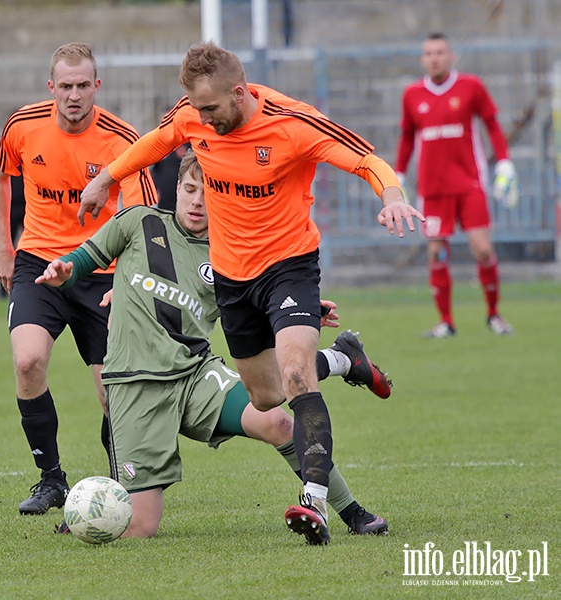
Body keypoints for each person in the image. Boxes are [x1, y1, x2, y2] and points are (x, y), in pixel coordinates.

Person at [79, 41, 422, 545]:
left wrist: (392, 196)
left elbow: (365, 159)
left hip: (288, 265)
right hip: (233, 277)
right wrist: (107, 179)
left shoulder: (292, 123)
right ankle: (346, 360)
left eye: (212, 109)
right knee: (269, 395)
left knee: (295, 373)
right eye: (196, 109)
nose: (203, 120)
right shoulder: (194, 115)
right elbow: (155, 141)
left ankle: (316, 503)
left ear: (239, 93)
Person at [39, 150, 390, 540]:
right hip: (135, 386)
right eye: (190, 190)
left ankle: (353, 513)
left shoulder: (231, 256)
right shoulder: (139, 222)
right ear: (177, 188)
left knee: (277, 420)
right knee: (141, 527)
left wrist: (303, 312)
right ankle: (342, 359)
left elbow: (258, 301)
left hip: (194, 376)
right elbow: (87, 258)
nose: (196, 202)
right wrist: (65, 270)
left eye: (208, 195)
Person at [0, 42, 157, 516]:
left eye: (84, 85)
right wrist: (4, 245)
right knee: (27, 362)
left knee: (112, 393)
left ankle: (118, 484)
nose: (75, 95)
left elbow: (142, 215)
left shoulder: (121, 139)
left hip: (100, 271)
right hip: (38, 262)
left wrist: (127, 278)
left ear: (97, 86)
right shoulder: (22, 125)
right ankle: (51, 479)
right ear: (51, 87)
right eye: (66, 86)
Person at [395, 33, 517, 338]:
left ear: (451, 56)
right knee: (436, 253)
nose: (434, 57)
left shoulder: (470, 87)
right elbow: (408, 138)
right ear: (423, 59)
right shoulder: (412, 94)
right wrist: (397, 174)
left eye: (440, 52)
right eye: (428, 53)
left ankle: (493, 314)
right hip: (433, 189)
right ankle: (446, 322)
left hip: (469, 183)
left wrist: (504, 162)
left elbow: (492, 124)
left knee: (483, 250)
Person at [150, 142, 190, 211]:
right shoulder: (165, 160)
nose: (181, 150)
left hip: (182, 206)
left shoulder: (192, 162)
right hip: (163, 205)